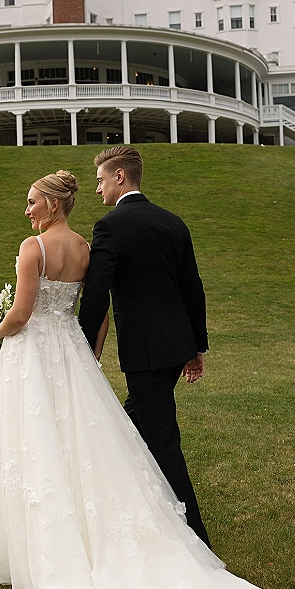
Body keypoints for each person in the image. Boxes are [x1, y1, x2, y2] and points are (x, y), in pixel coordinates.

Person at [0, 170, 295, 589]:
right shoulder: (88, 244)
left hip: (35, 356)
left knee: (38, 447)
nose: (27, 209)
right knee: (86, 443)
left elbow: (23, 313)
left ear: (52, 205)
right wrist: (89, 352)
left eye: (32, 202)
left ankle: (52, 550)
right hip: (76, 357)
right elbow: (96, 306)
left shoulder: (35, 247)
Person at [78, 146, 210, 546]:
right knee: (128, 423)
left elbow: (96, 296)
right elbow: (193, 288)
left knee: (163, 441)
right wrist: (194, 347)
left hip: (146, 355)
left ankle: (196, 538)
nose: (97, 188)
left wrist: (80, 347)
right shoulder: (174, 222)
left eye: (101, 179)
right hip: (172, 352)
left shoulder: (110, 227)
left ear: (120, 177)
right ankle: (129, 506)